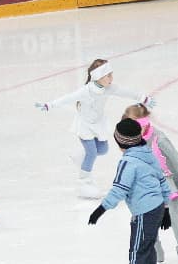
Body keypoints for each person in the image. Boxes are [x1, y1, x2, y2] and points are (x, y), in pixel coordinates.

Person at [88, 118, 170, 264]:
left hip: (144, 211)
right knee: (147, 248)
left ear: (120, 142)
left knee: (136, 254)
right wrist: (166, 208)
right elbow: (162, 179)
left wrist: (100, 209)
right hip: (157, 207)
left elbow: (119, 189)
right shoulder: (147, 153)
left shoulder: (128, 162)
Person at [35, 59, 150, 197]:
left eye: (111, 74)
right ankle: (84, 182)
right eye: (108, 75)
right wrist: (50, 105)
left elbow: (124, 92)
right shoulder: (86, 91)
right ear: (98, 77)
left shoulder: (109, 88)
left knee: (103, 149)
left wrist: (143, 98)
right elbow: (68, 98)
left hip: (98, 123)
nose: (111, 78)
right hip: (84, 125)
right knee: (91, 152)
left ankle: (80, 157)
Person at [124, 103, 178, 264]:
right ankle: (155, 251)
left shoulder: (159, 139)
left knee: (172, 215)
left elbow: (177, 160)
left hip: (167, 184)